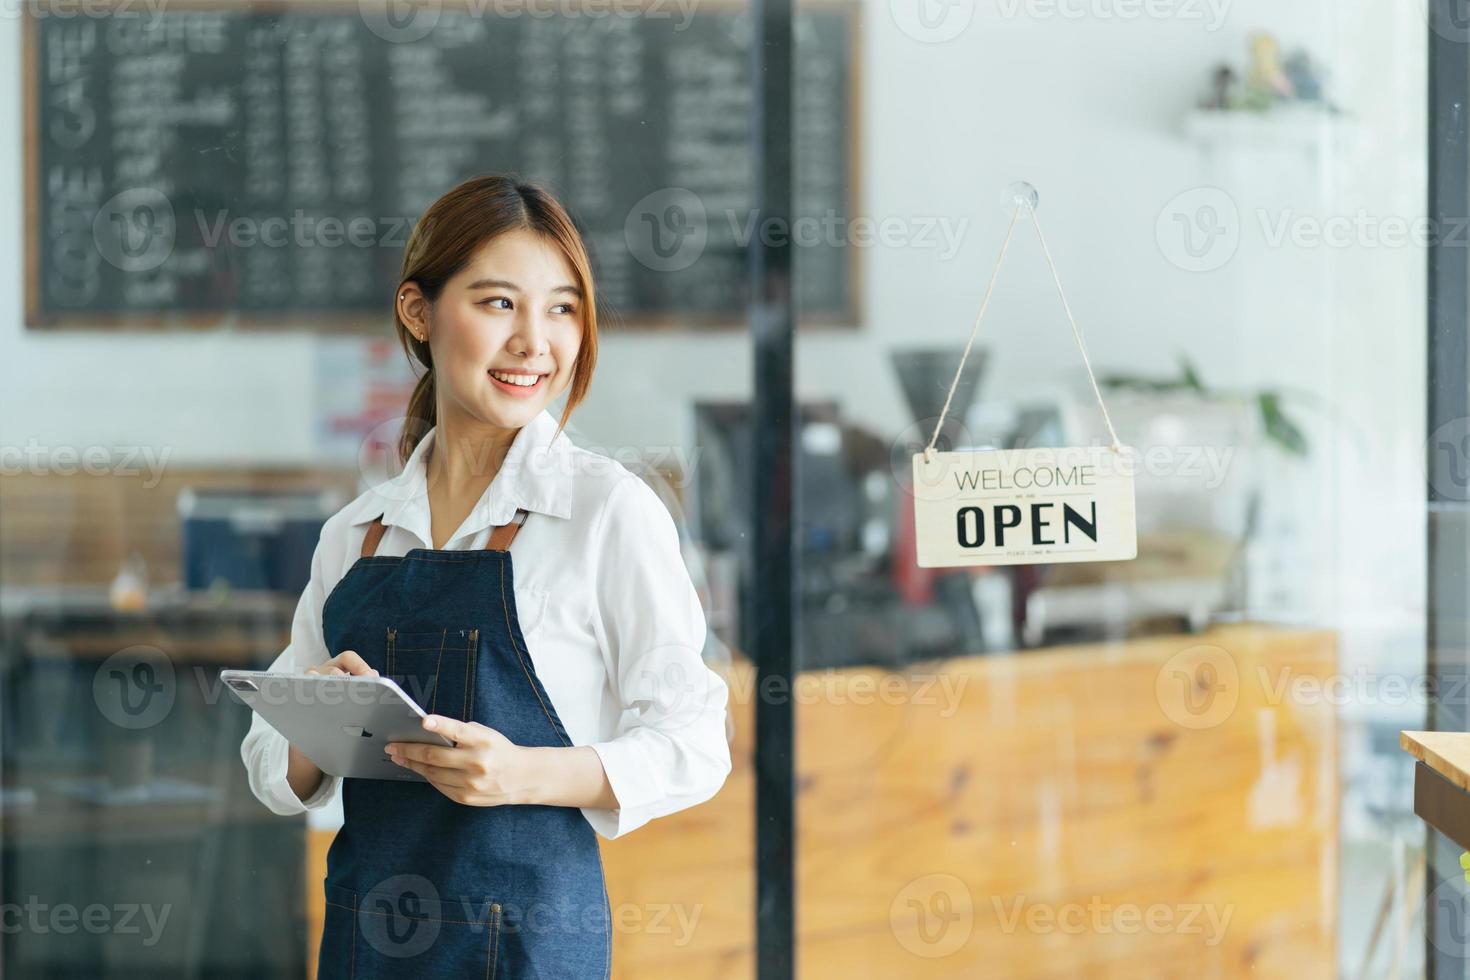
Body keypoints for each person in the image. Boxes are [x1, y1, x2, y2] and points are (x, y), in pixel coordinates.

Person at [239, 174, 732, 978]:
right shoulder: (355, 536)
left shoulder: (607, 512)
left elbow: (695, 743)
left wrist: (519, 774)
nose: (535, 342)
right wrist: (325, 717)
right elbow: (271, 766)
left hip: (531, 950)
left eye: (563, 308)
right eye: (499, 303)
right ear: (418, 311)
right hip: (368, 946)